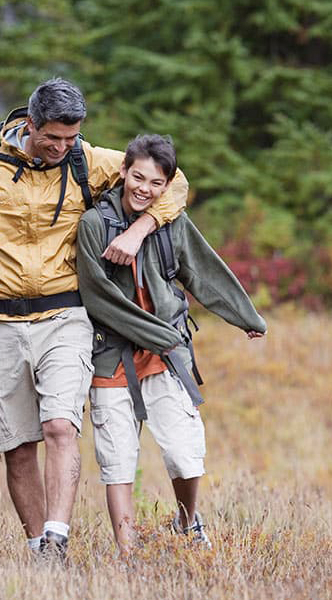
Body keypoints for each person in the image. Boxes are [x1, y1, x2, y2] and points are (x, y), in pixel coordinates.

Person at [0, 77, 189, 557]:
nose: (62, 147)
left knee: (60, 427)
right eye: (53, 138)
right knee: (18, 444)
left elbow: (174, 181)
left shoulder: (87, 161)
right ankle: (37, 548)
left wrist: (141, 228)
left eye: (71, 138)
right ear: (30, 124)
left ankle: (58, 536)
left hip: (64, 316)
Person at [76, 134, 267, 553]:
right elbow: (97, 297)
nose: (144, 188)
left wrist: (245, 317)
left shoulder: (170, 223)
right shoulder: (94, 225)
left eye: (156, 183)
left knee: (184, 452)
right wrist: (161, 335)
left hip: (165, 360)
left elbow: (203, 269)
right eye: (138, 177)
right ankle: (127, 553)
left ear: (167, 186)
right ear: (122, 171)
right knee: (118, 460)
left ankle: (186, 522)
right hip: (112, 356)